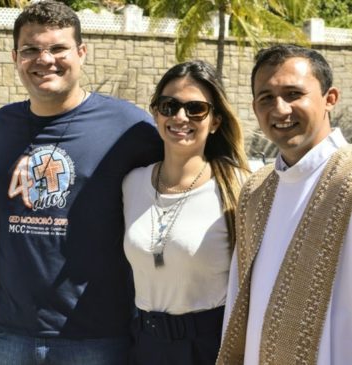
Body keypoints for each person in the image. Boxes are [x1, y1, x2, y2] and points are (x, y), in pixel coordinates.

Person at [0, 1, 163, 363]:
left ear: (82, 52)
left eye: (58, 48)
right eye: (31, 49)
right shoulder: (1, 126)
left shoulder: (130, 128)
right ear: (15, 56)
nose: (44, 59)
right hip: (9, 332)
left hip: (96, 336)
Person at [217, 44, 352, 365]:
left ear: (329, 99)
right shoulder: (256, 189)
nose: (280, 109)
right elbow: (240, 296)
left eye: (294, 94)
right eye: (266, 98)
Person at [122, 60, 249, 364]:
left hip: (209, 346)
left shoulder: (239, 185)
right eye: (169, 105)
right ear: (156, 112)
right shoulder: (132, 183)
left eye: (195, 109)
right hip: (144, 345)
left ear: (215, 121)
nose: (180, 117)